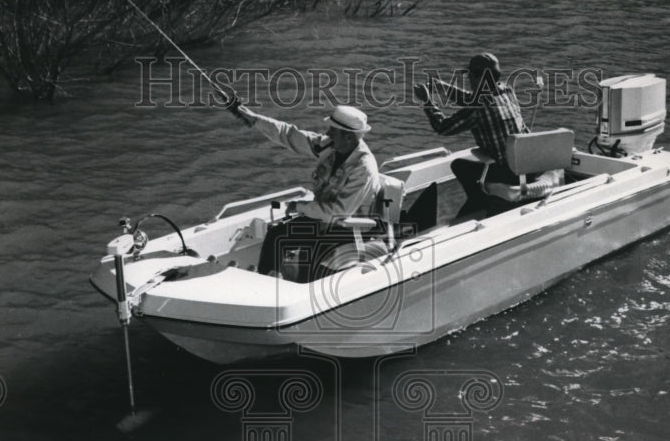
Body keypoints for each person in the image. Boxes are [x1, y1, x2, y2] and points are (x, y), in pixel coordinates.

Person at [224, 97, 381, 281]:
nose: (328, 133)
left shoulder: (364, 168)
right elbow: (289, 135)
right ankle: (266, 283)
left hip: (349, 226)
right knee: (276, 235)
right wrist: (253, 119)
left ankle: (301, 291)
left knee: (312, 252)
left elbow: (339, 212)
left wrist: (300, 207)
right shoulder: (330, 146)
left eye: (333, 131)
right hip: (324, 219)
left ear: (348, 137)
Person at [413, 52, 553, 217]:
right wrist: (444, 88)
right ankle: (486, 200)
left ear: (479, 78)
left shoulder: (478, 108)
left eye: (470, 75)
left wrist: (428, 101)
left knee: (459, 166)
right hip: (528, 165)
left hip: (510, 173)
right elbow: (471, 98)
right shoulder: (507, 90)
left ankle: (480, 202)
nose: (468, 79)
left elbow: (443, 127)